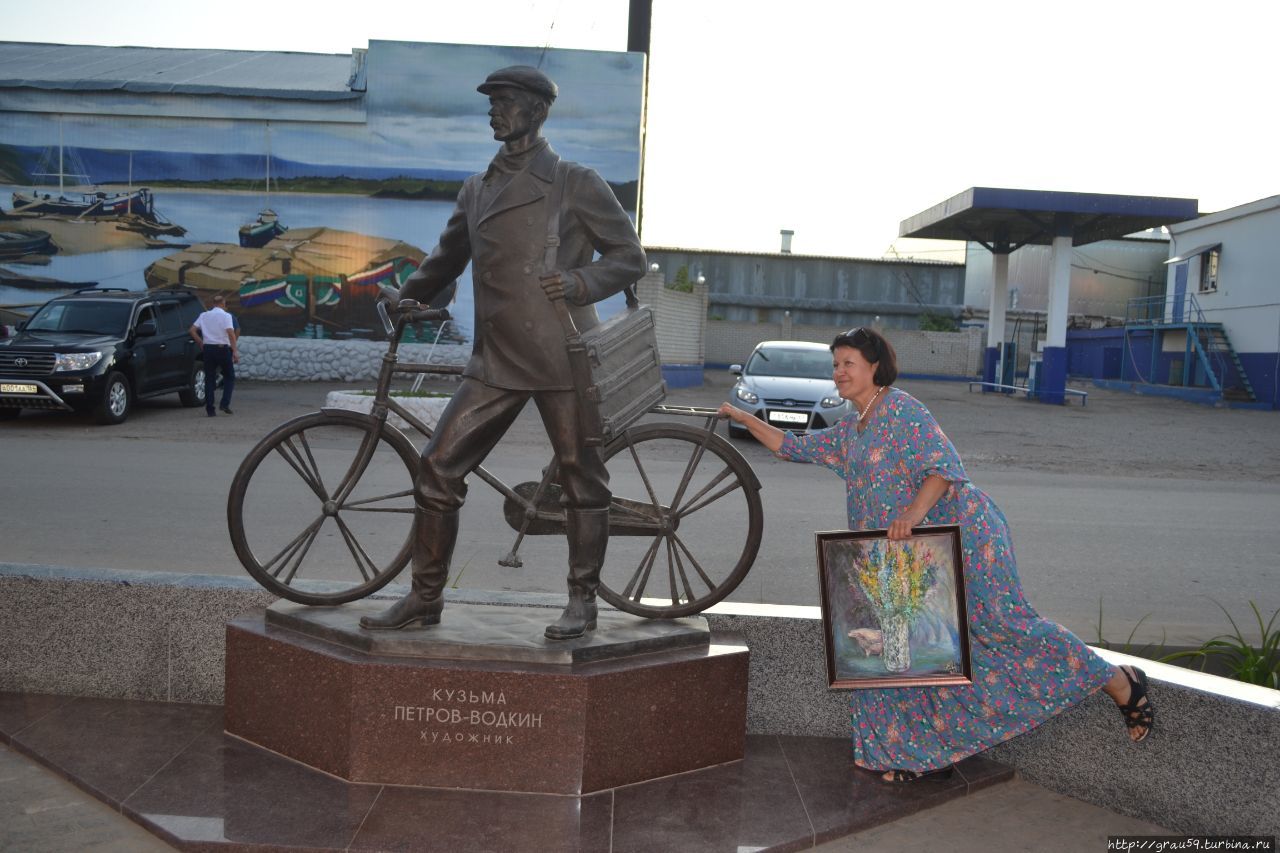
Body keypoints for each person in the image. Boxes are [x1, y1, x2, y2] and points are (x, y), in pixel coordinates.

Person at [718, 327, 1155, 782]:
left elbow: (944, 468)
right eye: (835, 364)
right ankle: (920, 753)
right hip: (906, 558)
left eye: (848, 363)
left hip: (964, 537)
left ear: (874, 367)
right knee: (906, 652)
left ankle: (1118, 680)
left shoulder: (903, 410)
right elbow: (794, 447)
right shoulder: (852, 428)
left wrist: (911, 513)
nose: (839, 372)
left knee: (1004, 625)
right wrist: (744, 419)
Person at [359, 65, 646, 640]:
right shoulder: (477, 188)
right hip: (496, 359)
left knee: (581, 479)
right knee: (437, 470)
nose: (494, 110)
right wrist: (408, 297)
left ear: (536, 111)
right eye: (491, 102)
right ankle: (424, 597)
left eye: (505, 101)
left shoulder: (575, 182)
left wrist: (580, 282)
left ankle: (582, 602)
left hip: (563, 354)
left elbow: (629, 257)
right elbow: (444, 262)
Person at [188, 293, 238, 417]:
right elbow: (231, 333)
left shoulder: (204, 315)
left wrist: (200, 342)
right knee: (229, 376)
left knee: (209, 378)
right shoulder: (226, 316)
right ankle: (224, 403)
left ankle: (210, 409)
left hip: (208, 349)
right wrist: (235, 351)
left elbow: (192, 330)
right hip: (222, 349)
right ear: (223, 304)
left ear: (213, 304)